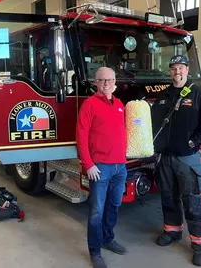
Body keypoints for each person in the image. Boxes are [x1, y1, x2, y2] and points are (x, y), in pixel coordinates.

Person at [151, 55, 201, 267]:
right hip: (165, 158)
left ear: (187, 71)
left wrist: (194, 143)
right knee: (168, 197)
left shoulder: (199, 94)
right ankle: (172, 231)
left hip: (188, 159)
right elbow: (153, 124)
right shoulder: (163, 96)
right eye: (173, 68)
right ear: (170, 72)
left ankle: (200, 245)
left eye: (180, 68)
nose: (176, 72)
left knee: (193, 201)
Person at [76, 67, 128, 268]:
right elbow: (81, 136)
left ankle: (108, 239)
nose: (106, 83)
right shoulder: (89, 105)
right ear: (95, 82)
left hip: (120, 167)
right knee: (96, 211)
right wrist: (88, 164)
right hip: (100, 168)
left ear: (115, 82)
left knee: (114, 205)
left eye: (110, 80)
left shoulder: (119, 104)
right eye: (102, 80)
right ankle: (95, 250)